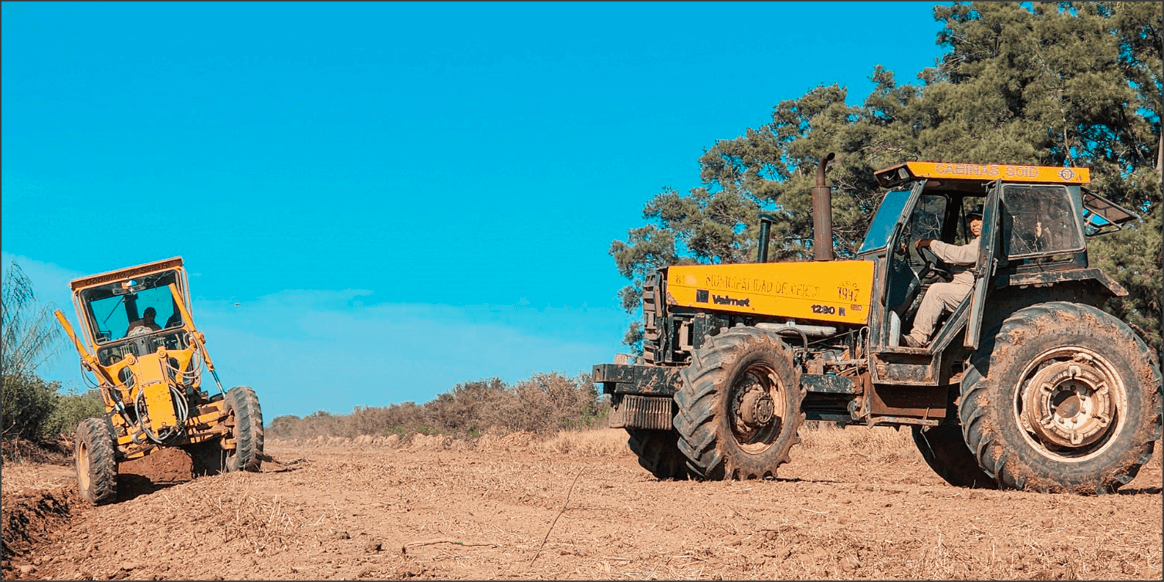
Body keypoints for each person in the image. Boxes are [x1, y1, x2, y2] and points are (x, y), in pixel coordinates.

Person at [903, 207, 983, 348]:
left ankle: (918, 338)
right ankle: (905, 331)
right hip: (966, 287)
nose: (974, 223)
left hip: (975, 290)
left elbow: (960, 255)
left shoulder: (986, 242)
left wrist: (932, 243)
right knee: (931, 288)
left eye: (979, 219)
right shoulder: (976, 241)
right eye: (972, 220)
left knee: (937, 291)